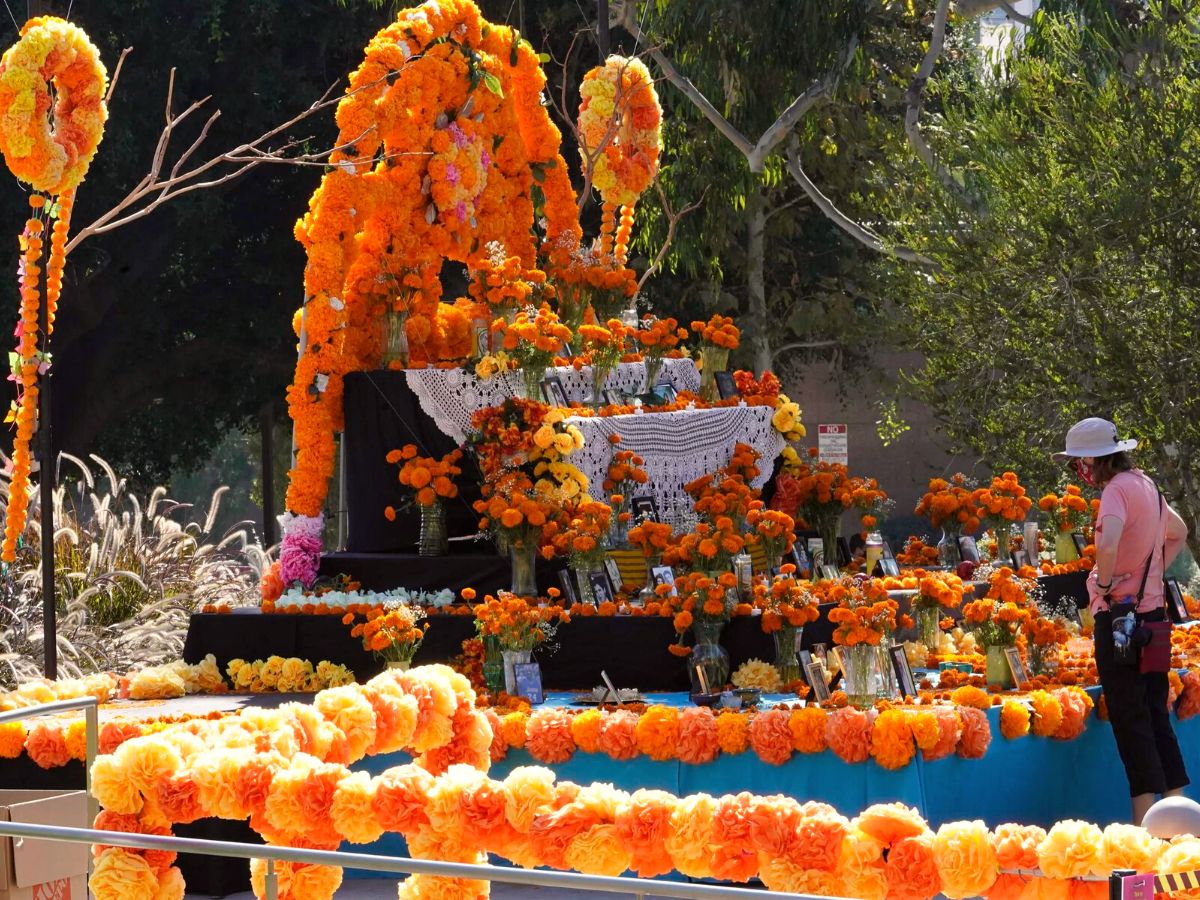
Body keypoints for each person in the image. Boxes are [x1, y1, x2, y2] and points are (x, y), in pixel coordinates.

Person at [1054, 417, 1190, 825]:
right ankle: (1179, 820)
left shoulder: (1116, 492)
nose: (1081, 470)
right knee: (1156, 715)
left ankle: (1146, 829)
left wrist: (1108, 581)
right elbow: (1178, 532)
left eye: (1081, 462)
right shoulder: (1147, 484)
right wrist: (1150, 572)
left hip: (1119, 620)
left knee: (1131, 723)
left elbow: (1108, 544)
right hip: (1154, 617)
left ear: (1094, 461)